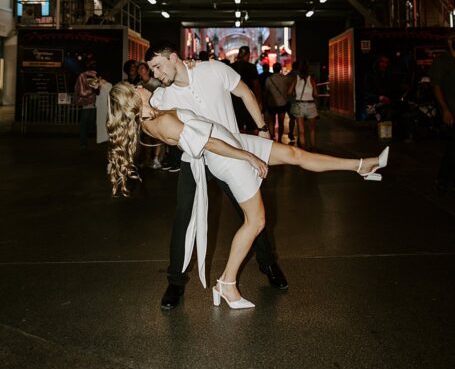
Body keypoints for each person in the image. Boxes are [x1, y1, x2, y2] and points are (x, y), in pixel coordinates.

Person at [107, 82, 389, 310]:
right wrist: (248, 157)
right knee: (255, 222)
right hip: (228, 156)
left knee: (295, 154)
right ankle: (227, 283)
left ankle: (363, 165)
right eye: (135, 86)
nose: (140, 84)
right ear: (134, 98)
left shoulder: (154, 111)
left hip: (235, 142)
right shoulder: (160, 124)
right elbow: (210, 144)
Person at [145, 43, 288, 309]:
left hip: (230, 156)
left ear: (173, 57)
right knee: (183, 218)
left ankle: (268, 264)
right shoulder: (162, 97)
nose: (155, 73)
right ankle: (176, 282)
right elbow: (145, 113)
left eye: (158, 66)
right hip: (195, 160)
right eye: (152, 69)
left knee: (251, 216)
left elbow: (245, 93)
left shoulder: (213, 70)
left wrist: (263, 128)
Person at [430, 33, 455, 191]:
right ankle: (442, 179)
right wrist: (445, 110)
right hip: (451, 110)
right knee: (453, 147)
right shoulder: (442, 61)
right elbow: (436, 86)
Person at [232, 45, 264, 133]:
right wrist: (259, 101)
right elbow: (256, 86)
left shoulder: (232, 67)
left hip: (234, 101)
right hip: (248, 99)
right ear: (248, 55)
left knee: (237, 128)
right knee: (250, 128)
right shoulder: (251, 67)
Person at [289, 60, 319, 150]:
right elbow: (316, 94)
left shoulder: (296, 78)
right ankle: (313, 148)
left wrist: (296, 94)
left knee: (301, 131)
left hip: (299, 105)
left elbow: (289, 91)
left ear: (299, 69)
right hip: (310, 105)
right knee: (312, 130)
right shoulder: (312, 79)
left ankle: (303, 151)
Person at [74, 55, 100, 148]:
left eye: (94, 63)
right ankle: (83, 143)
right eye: (91, 63)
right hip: (86, 104)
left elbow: (97, 91)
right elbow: (81, 92)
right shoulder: (82, 76)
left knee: (90, 125)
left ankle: (86, 142)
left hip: (93, 104)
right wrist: (93, 90)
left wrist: (98, 89)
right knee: (84, 125)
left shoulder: (96, 76)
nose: (93, 65)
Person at [264, 62, 289, 142]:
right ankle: (280, 139)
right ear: (280, 69)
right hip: (282, 103)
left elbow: (266, 92)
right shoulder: (285, 79)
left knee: (272, 121)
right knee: (281, 122)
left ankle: (272, 137)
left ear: (273, 69)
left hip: (272, 103)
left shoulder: (269, 79)